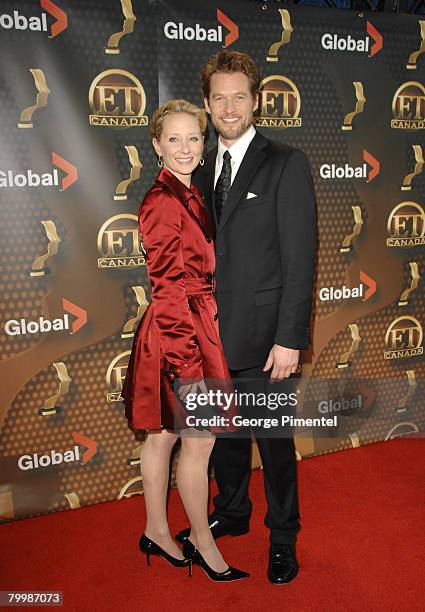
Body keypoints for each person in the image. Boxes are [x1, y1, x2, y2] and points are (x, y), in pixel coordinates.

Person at [176, 51, 317, 585]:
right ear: (207, 104)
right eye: (219, 98)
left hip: (265, 340)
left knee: (274, 446)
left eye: (240, 97)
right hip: (210, 337)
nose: (229, 108)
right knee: (224, 441)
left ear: (256, 101)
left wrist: (289, 338)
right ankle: (232, 513)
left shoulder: (286, 161)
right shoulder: (199, 166)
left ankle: (283, 537)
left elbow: (300, 258)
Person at [122, 99, 249, 582]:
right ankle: (200, 538)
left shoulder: (192, 194)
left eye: (193, 138)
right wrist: (185, 365)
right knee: (198, 440)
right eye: (172, 139)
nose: (184, 148)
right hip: (179, 331)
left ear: (204, 142)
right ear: (156, 145)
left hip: (193, 324)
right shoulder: (160, 201)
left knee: (165, 435)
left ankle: (157, 528)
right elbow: (168, 286)